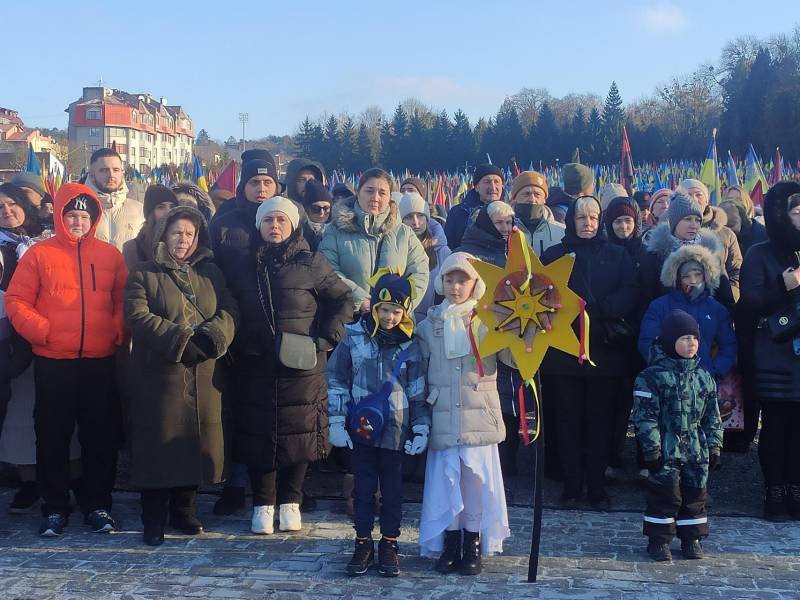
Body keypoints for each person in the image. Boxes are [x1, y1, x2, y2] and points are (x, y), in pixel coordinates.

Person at [6, 183, 128, 537]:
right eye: (71, 215)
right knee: (52, 436)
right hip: (53, 360)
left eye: (84, 215)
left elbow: (122, 299)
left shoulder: (110, 255)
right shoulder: (39, 254)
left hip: (99, 360)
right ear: (60, 216)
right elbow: (16, 302)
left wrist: (116, 329)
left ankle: (98, 504)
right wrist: (42, 331)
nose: (78, 221)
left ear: (94, 219)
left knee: (99, 436)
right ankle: (55, 506)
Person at [225, 196, 351, 535]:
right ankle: (263, 504)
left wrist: (326, 340)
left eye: (281, 220)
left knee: (300, 434)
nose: (274, 226)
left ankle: (291, 501)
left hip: (302, 364)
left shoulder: (313, 263)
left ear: (293, 225)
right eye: (268, 221)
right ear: (259, 226)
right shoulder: (242, 264)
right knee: (258, 434)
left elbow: (342, 300)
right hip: (255, 363)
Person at [124, 206, 238, 546]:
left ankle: (185, 509)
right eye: (176, 232)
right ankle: (153, 516)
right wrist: (178, 340)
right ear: (163, 235)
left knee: (193, 442)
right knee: (159, 446)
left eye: (189, 233)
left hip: (203, 372)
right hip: (160, 375)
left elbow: (231, 309)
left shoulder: (212, 273)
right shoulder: (143, 273)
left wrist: (211, 337)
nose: (183, 239)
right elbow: (137, 314)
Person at [327, 271, 429, 578]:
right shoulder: (354, 337)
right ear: (374, 307)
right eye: (384, 310)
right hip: (362, 429)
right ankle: (362, 542)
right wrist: (336, 419)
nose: (389, 317)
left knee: (393, 490)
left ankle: (389, 542)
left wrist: (421, 426)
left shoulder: (411, 345)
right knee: (363, 487)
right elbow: (336, 379)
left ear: (405, 312)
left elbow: (418, 389)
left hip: (396, 430)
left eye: (397, 311)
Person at [540, 196, 638, 509]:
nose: (588, 224)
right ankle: (571, 486)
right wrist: (571, 312)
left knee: (600, 422)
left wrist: (597, 311)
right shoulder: (554, 255)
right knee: (567, 422)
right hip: (564, 354)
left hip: (604, 352)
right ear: (571, 221)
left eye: (594, 218)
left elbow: (630, 290)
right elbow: (543, 293)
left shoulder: (617, 254)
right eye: (582, 218)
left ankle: (596, 485)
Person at [416, 252, 510, 576]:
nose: (456, 287)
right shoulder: (428, 326)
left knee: (474, 482)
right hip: (443, 413)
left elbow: (512, 359)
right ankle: (450, 542)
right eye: (449, 280)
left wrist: (525, 332)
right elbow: (420, 367)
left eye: (463, 280)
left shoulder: (489, 322)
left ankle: (472, 541)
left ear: (475, 283)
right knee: (446, 481)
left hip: (478, 414)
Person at [209, 152, 281, 515]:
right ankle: (234, 486)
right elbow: (211, 274)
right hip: (236, 329)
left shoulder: (285, 220)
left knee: (275, 412)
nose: (262, 188)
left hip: (279, 333)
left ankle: (281, 488)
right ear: (244, 186)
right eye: (255, 182)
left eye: (268, 182)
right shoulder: (224, 223)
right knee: (236, 411)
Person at [633, 309, 722, 561]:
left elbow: (712, 416)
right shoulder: (651, 377)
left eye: (694, 338)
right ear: (670, 341)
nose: (691, 343)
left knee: (695, 494)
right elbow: (645, 417)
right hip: (666, 444)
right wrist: (651, 449)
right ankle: (659, 540)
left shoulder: (704, 377)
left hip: (695, 447)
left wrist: (715, 445)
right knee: (665, 494)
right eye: (684, 338)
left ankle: (691, 538)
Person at [737, 182, 800, 521]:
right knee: (776, 426)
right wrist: (784, 285)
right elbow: (748, 305)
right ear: (780, 215)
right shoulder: (760, 253)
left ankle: (796, 487)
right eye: (796, 212)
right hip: (775, 354)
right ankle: (774, 490)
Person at [0, 183, 55, 514]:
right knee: (19, 415)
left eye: (11, 204)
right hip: (10, 340)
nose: (7, 211)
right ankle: (29, 481)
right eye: (0, 207)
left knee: (55, 411)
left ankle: (62, 478)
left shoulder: (47, 239)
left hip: (50, 334)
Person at [319, 168, 429, 317]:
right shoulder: (336, 230)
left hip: (394, 324)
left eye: (382, 193)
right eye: (369, 191)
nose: (375, 198)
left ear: (390, 197)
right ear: (358, 193)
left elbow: (419, 273)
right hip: (348, 321)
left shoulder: (404, 233)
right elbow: (328, 270)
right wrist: (360, 300)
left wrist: (399, 307)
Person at [639, 242, 737, 380]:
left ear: (706, 275)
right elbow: (647, 341)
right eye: (686, 276)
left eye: (698, 275)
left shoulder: (716, 309)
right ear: (677, 278)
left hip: (705, 383)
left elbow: (729, 345)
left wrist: (715, 372)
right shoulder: (659, 306)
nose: (693, 281)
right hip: (667, 382)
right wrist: (665, 369)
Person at [603, 196, 648, 473]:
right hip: (614, 336)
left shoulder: (647, 254)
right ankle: (612, 455)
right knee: (615, 403)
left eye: (628, 220)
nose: (623, 226)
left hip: (642, 335)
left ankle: (646, 458)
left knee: (645, 400)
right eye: (617, 221)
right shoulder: (604, 253)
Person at [641, 193, 735, 311]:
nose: (694, 225)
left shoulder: (711, 253)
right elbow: (645, 302)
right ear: (674, 222)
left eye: (697, 220)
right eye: (687, 219)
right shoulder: (655, 256)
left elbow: (726, 299)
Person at [677, 179, 742, 300]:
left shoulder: (726, 234)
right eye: (688, 195)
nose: (694, 199)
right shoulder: (671, 234)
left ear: (707, 200)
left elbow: (736, 271)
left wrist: (731, 297)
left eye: (699, 195)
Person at [398, 192, 450, 323]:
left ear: (427, 219)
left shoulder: (441, 250)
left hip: (434, 322)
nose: (416, 222)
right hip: (400, 319)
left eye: (420, 215)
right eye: (409, 217)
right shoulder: (394, 249)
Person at [83, 148, 145, 251]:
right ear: (92, 175)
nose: (111, 175)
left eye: (116, 170)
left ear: (122, 172)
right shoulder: (81, 211)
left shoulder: (140, 211)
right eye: (104, 170)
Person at [444, 165, 506, 250]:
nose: (492, 187)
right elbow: (448, 246)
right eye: (487, 182)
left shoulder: (510, 214)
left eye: (496, 182)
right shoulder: (458, 212)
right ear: (476, 187)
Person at [121, 185, 178, 270]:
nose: (168, 212)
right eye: (161, 207)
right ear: (150, 214)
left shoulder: (185, 241)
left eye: (172, 207)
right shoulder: (133, 248)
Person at [509, 170, 565, 256]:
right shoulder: (504, 231)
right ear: (515, 197)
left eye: (537, 194)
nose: (532, 199)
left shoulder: (562, 232)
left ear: (544, 199)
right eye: (526, 194)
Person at [720, 185, 768, 258]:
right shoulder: (717, 230)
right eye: (730, 199)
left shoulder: (761, 232)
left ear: (747, 202)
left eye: (739, 199)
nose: (734, 202)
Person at [301, 179, 333, 251]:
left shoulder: (337, 230)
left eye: (326, 208)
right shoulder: (299, 231)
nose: (322, 212)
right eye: (316, 208)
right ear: (307, 208)